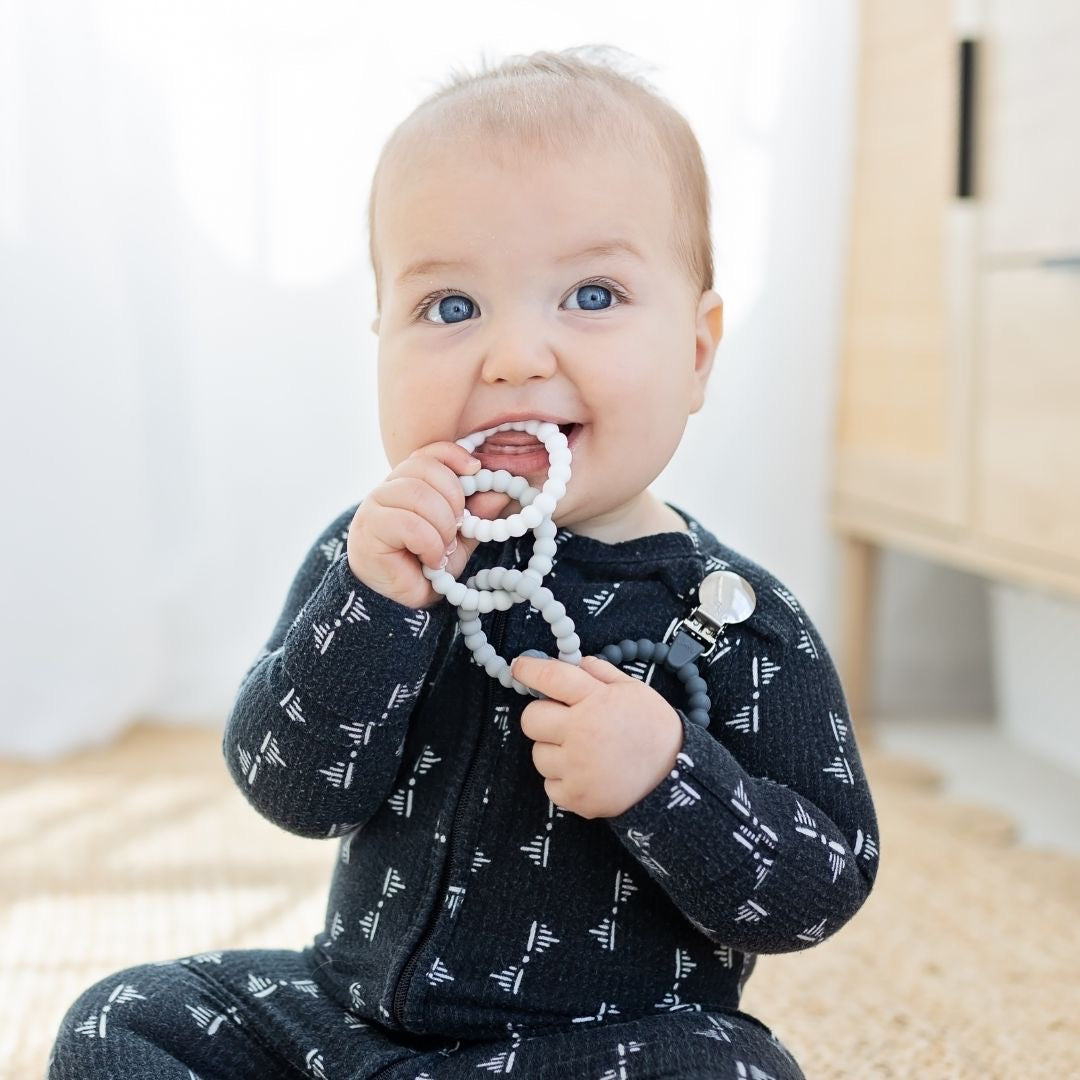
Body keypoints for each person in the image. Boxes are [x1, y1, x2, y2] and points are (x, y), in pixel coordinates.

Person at [48, 45, 880, 1079]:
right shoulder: (386, 556)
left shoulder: (736, 618)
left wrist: (668, 778)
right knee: (122, 1017)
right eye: (451, 308)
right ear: (380, 340)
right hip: (348, 1023)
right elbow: (293, 792)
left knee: (735, 1070)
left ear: (698, 351)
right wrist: (370, 605)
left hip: (597, 1050)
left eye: (591, 295)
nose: (515, 356)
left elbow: (822, 887)